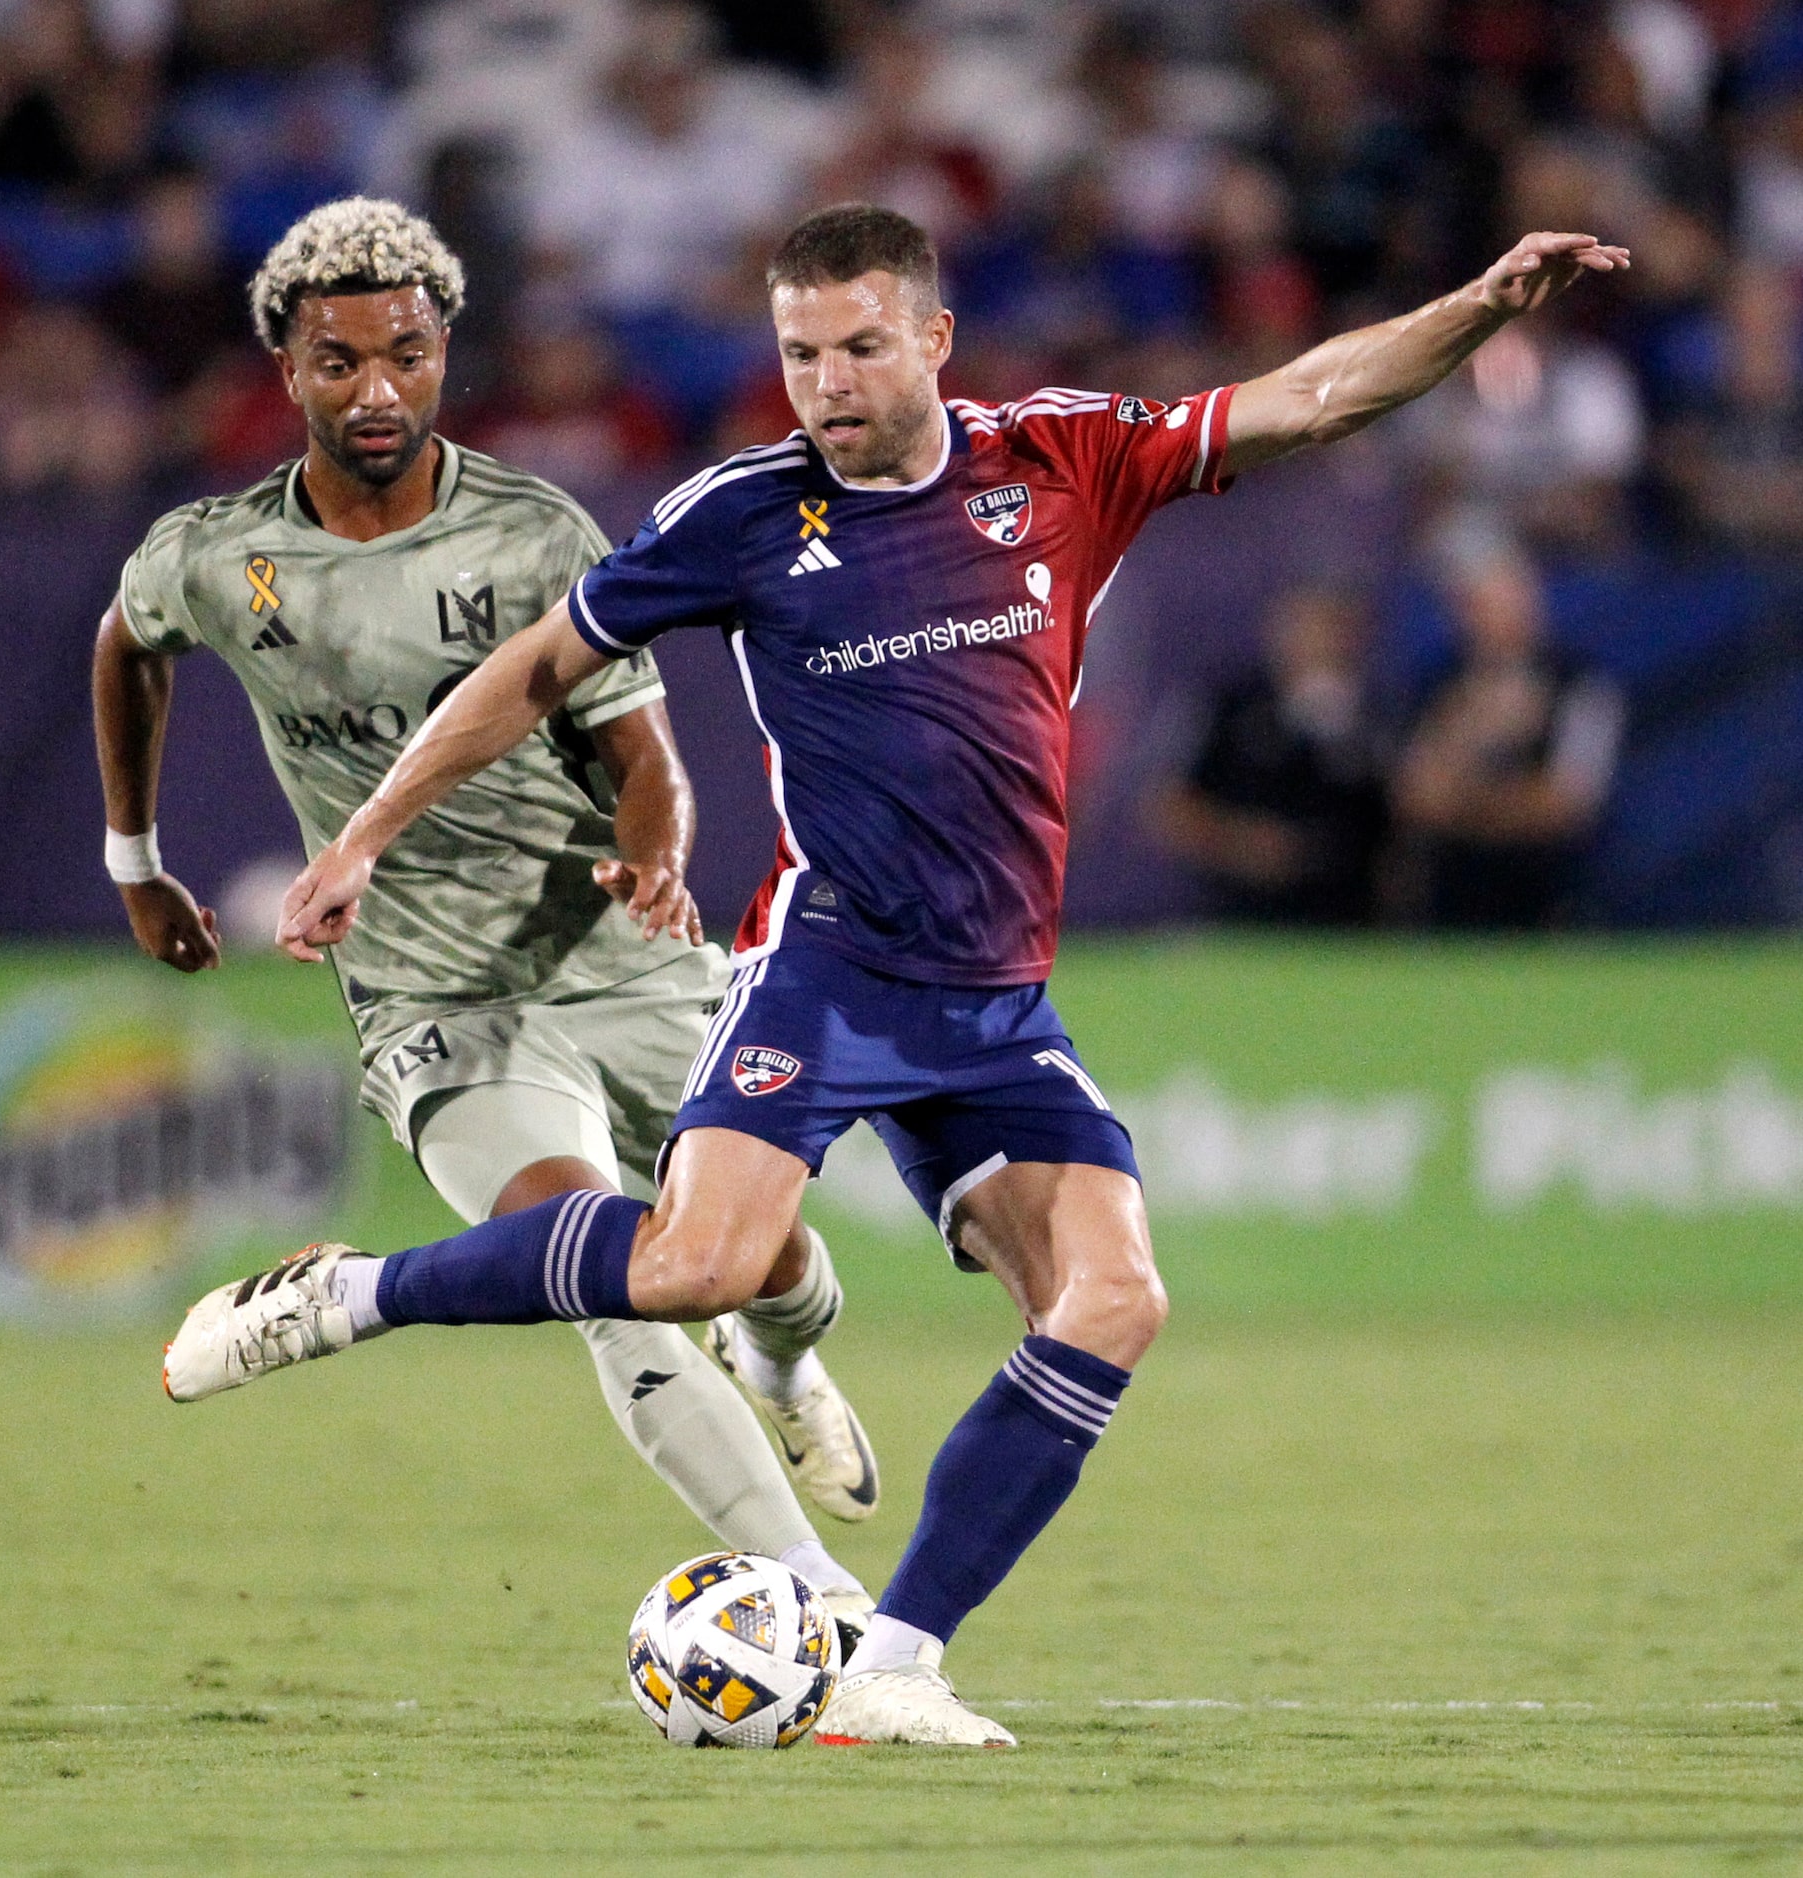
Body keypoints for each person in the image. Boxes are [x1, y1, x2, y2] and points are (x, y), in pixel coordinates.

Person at [175, 203, 1628, 1746]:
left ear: (932, 338)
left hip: (997, 1000)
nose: (828, 383)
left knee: (1113, 1297)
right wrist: (368, 836)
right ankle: (344, 1297)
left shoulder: (1061, 460)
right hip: (831, 970)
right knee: (695, 1268)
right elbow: (539, 664)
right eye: (800, 354)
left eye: (861, 345)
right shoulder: (744, 513)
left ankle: (893, 1662)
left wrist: (1478, 304)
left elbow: (1312, 396)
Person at [98, 198, 879, 1637]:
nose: (377, 389)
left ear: (443, 347)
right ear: (287, 369)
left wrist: (659, 855)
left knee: (767, 1263)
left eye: (404, 353)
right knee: (602, 1271)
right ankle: (832, 1612)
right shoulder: (218, 552)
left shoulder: (530, 533)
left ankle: (780, 1362)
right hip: (434, 1004)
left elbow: (643, 753)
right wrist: (132, 856)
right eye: (339, 362)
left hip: (620, 957)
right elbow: (126, 640)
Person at [1393, 531, 1625, 929]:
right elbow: (1417, 799)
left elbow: (1568, 803)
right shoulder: (1434, 686)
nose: (1507, 616)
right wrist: (1476, 731)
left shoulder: (1580, 685)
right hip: (1448, 905)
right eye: (1488, 604)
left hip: (1549, 902)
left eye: (1515, 598)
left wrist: (1468, 810)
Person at [1151, 584, 1390, 927]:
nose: (1326, 644)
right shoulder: (1231, 706)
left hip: (1350, 922)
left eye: (1340, 629)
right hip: (1238, 916)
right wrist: (1247, 845)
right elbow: (1169, 805)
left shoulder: (1379, 713)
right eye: (1314, 627)